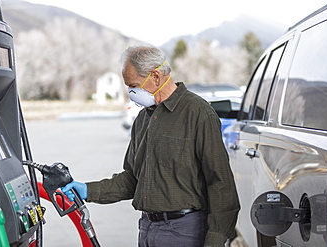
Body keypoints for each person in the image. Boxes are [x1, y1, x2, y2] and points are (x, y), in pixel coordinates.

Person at [62, 44, 240, 247]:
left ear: (155, 77)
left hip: (185, 232)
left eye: (134, 86)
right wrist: (87, 190)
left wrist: (215, 240)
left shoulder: (198, 113)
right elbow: (132, 179)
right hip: (147, 229)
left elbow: (221, 184)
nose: (131, 92)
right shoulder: (143, 119)